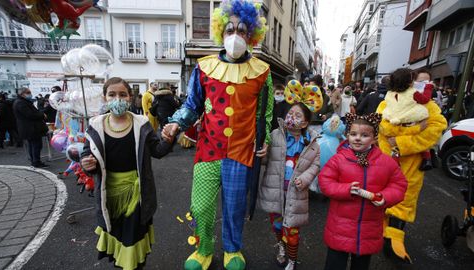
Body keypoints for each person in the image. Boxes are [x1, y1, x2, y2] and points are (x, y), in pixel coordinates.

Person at [162, 1, 271, 269]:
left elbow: (265, 114)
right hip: (208, 149)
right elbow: (192, 105)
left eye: (243, 30)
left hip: (241, 151)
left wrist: (265, 140)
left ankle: (233, 250)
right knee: (200, 207)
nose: (236, 35)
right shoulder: (204, 67)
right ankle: (204, 248)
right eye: (230, 29)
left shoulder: (262, 72)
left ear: (252, 35)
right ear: (221, 32)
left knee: (234, 208)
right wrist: (176, 123)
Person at [80, 77, 173, 270]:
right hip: (109, 195)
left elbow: (157, 151)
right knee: (117, 235)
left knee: (133, 237)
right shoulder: (95, 126)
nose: (118, 98)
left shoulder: (142, 123)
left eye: (123, 94)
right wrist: (87, 163)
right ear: (105, 98)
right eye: (112, 94)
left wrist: (168, 139)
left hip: (137, 195)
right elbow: (88, 152)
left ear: (130, 98)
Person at [318, 113, 407, 270]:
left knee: (361, 265)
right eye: (353, 134)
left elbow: (399, 184)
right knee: (334, 264)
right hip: (340, 227)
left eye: (364, 135)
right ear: (347, 136)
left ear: (374, 138)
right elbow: (325, 182)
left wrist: (385, 197)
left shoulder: (386, 162)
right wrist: (345, 189)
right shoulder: (338, 159)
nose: (357, 138)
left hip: (368, 228)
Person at [376, 68, 447, 263]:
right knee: (381, 195)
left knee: (404, 199)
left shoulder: (430, 107)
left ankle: (395, 240)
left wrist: (402, 143)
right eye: (418, 82)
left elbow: (436, 128)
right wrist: (412, 129)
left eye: (426, 83)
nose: (421, 87)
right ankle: (380, 228)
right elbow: (381, 126)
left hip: (412, 162)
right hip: (386, 159)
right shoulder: (389, 100)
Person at [258, 95, 321, 270]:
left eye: (297, 115)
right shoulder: (275, 135)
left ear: (305, 123)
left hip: (296, 194)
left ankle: (292, 259)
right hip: (275, 192)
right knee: (277, 225)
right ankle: (281, 247)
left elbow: (315, 165)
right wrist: (261, 155)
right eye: (290, 113)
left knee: (292, 231)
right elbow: (265, 160)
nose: (291, 117)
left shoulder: (312, 144)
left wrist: (306, 179)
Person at [13, 87, 48, 168]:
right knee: (36, 145)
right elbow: (30, 115)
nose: (30, 94)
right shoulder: (20, 103)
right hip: (30, 128)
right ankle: (36, 162)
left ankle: (35, 161)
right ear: (22, 94)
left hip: (30, 128)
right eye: (28, 92)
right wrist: (42, 115)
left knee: (33, 145)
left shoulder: (23, 101)